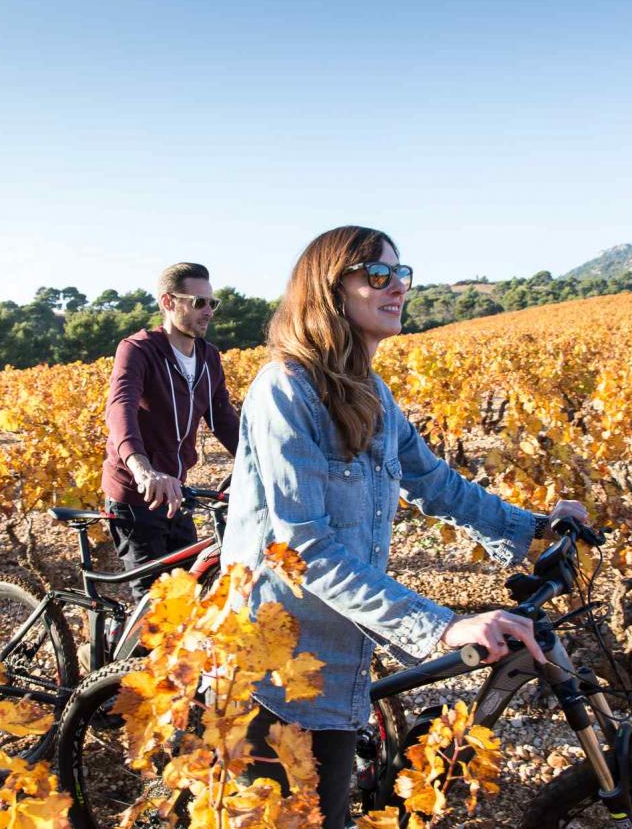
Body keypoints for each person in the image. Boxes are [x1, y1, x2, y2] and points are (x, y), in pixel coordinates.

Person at [220, 226, 588, 828]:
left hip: (336, 660)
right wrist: (442, 626)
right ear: (329, 288)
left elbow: (436, 484)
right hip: (276, 669)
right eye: (378, 274)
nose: (398, 288)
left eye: (402, 274)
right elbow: (303, 547)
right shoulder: (285, 389)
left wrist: (537, 528)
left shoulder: (372, 393)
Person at [102, 262, 239, 602]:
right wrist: (142, 469)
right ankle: (120, 647)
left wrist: (263, 464)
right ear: (167, 302)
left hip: (176, 493)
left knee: (188, 597)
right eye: (198, 302)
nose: (208, 311)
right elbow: (121, 408)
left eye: (212, 303)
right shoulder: (138, 350)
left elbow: (224, 421)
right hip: (135, 494)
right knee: (156, 610)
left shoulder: (209, 357)